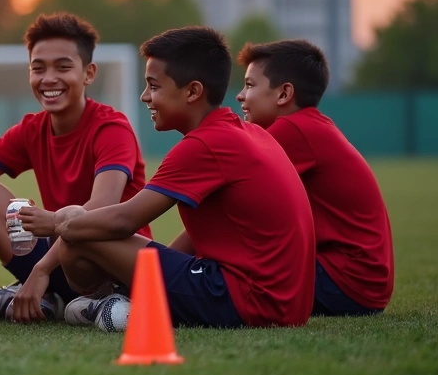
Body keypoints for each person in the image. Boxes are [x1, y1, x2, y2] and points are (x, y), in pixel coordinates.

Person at [30, 26, 315, 328]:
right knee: (82, 227)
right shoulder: (245, 132)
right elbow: (204, 234)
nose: (144, 97)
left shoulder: (205, 144)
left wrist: (57, 223)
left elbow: (123, 220)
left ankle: (110, 300)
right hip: (285, 305)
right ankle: (123, 297)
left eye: (153, 86)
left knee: (78, 235)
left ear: (192, 91)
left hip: (247, 301)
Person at [0, 13, 148, 323]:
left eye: (63, 67)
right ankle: (49, 297)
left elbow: (102, 210)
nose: (49, 79)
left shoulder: (111, 128)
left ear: (88, 73)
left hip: (104, 264)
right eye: (38, 69)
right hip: (59, 257)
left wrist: (41, 262)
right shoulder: (31, 129)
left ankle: (90, 298)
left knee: (83, 231)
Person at [236, 39, 393, 316]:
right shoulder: (309, 125)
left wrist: (160, 263)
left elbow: (225, 198)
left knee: (226, 272)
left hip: (344, 284)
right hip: (359, 284)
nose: (240, 95)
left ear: (284, 94)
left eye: (249, 85)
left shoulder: (292, 131)